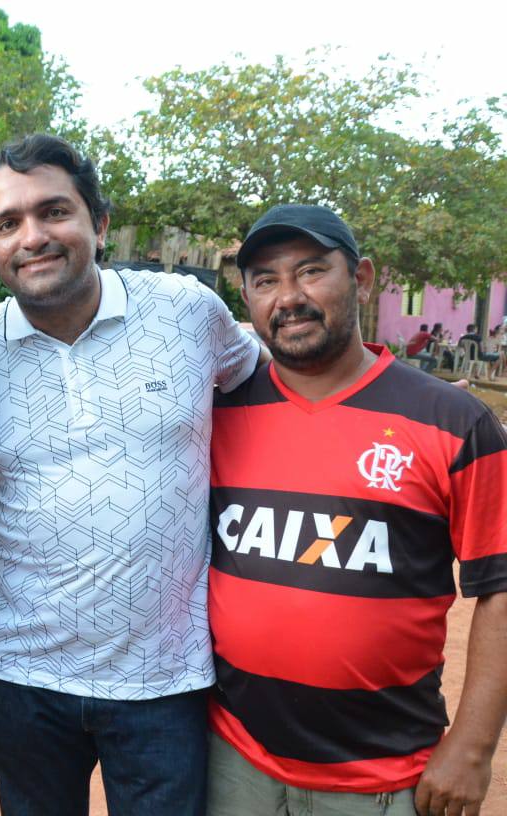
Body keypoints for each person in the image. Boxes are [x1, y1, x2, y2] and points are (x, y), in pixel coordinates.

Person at [0, 133, 265, 816]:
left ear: (100, 223)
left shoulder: (187, 313)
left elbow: (257, 384)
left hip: (166, 676)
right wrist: (14, 534)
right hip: (24, 671)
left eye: (54, 211)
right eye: (7, 224)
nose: (33, 236)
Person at [208, 204, 507, 815]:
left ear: (362, 277)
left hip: (385, 778)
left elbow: (501, 585)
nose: (288, 297)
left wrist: (474, 747)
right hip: (233, 760)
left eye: (311, 271)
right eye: (265, 280)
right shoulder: (217, 415)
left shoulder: (451, 421)